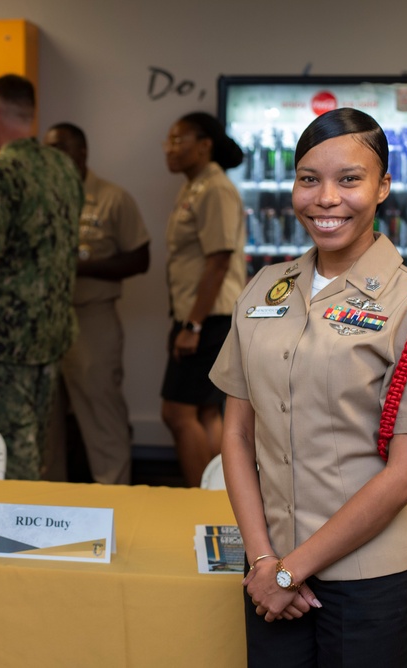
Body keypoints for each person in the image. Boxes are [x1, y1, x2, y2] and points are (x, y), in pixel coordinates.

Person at [210, 108, 407, 667]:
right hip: (269, 568)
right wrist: (261, 562)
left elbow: (404, 476)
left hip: (373, 580)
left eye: (349, 179)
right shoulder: (263, 289)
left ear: (383, 188)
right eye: (309, 179)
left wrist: (288, 571)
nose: (326, 198)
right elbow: (236, 435)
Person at [0, 74, 82, 481]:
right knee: (36, 443)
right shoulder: (64, 167)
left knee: (8, 450)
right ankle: (32, 521)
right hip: (52, 332)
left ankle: (14, 535)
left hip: (7, 340)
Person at [43, 122, 150, 484]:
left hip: (91, 320)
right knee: (46, 421)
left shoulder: (111, 198)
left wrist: (80, 267)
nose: (54, 156)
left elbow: (140, 259)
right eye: (48, 149)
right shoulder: (41, 198)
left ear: (82, 152)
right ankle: (46, 503)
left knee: (101, 415)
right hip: (44, 322)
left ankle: (114, 496)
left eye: (61, 148)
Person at [160, 111, 246, 487]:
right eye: (169, 140)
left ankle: (199, 497)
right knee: (206, 412)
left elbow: (218, 260)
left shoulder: (215, 188)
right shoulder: (195, 185)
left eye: (179, 140)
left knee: (177, 412)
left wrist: (192, 325)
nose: (170, 148)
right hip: (200, 317)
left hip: (208, 319)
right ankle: (218, 498)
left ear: (204, 145)